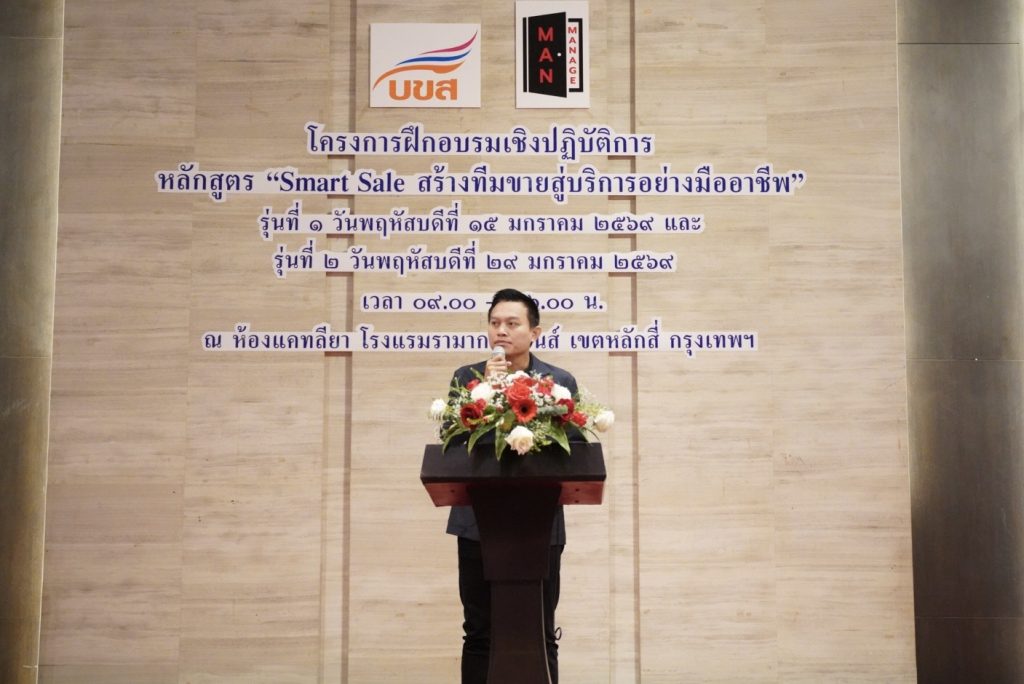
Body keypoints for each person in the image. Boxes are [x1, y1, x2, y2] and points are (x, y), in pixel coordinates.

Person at [446, 288, 579, 684]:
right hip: (476, 523)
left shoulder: (558, 382)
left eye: (511, 323)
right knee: (479, 631)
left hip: (540, 525)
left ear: (534, 332)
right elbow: (454, 446)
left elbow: (572, 453)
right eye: (494, 323)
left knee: (541, 631)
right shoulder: (466, 379)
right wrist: (486, 392)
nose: (500, 331)